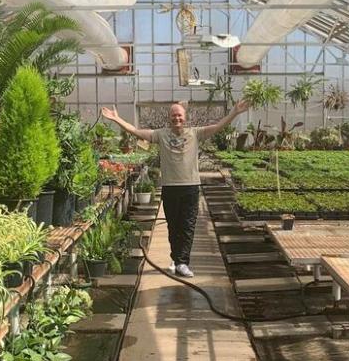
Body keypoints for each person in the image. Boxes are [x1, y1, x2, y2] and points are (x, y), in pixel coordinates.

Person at [100, 99, 250, 276]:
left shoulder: (195, 133)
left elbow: (218, 126)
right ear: (169, 118)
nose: (176, 118)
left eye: (179, 115)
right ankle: (177, 258)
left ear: (184, 117)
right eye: (173, 115)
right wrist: (117, 119)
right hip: (170, 187)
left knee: (188, 225)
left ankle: (182, 262)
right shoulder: (160, 134)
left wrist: (235, 112)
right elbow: (136, 131)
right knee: (173, 226)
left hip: (191, 186)